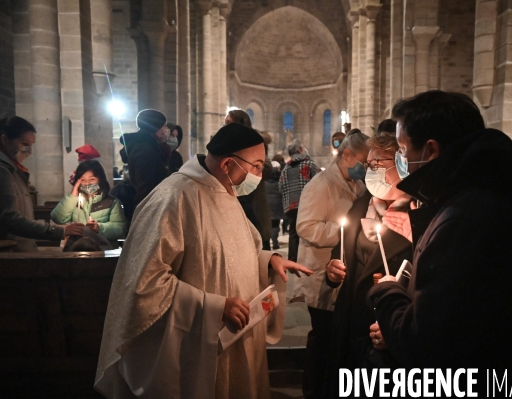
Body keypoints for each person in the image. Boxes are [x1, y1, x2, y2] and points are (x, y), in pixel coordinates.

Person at [94, 123, 312, 399]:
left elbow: (234, 250)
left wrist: (269, 261)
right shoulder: (172, 198)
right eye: (257, 166)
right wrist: (214, 307)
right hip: (200, 342)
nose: (259, 174)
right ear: (228, 163)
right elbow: (145, 282)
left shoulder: (225, 190)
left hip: (240, 331)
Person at [367, 90, 512, 374]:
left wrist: (387, 292)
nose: (402, 158)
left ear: (431, 150)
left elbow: (427, 342)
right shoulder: (488, 192)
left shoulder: (464, 217)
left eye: (402, 148)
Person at [322, 127, 413, 395]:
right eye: (368, 164)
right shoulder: (362, 205)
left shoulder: (419, 213)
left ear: (401, 164)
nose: (370, 171)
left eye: (377, 164)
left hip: (388, 322)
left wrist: (397, 327)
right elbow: (341, 248)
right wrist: (332, 270)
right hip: (353, 317)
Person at [292, 129, 370, 399]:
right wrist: (344, 234)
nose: (365, 166)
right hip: (321, 271)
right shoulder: (321, 183)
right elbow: (305, 226)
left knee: (336, 338)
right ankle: (313, 390)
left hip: (343, 273)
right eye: (363, 159)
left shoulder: (357, 185)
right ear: (347, 154)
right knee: (322, 337)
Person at [0, 116, 85, 252]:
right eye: (25, 144)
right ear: (5, 140)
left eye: (31, 145)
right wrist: (60, 231)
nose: (29, 151)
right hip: (11, 253)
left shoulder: (14, 171)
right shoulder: (3, 171)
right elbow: (11, 219)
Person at [223, 110, 273, 250]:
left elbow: (267, 168)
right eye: (225, 123)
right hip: (232, 206)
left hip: (253, 204)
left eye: (229, 123)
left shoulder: (254, 143)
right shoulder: (223, 145)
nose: (225, 127)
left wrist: (247, 165)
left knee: (261, 257)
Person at [51, 160, 127, 247]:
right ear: (78, 182)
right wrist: (72, 196)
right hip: (77, 248)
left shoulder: (112, 202)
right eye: (83, 180)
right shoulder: (72, 201)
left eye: (92, 179)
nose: (87, 183)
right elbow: (57, 218)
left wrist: (99, 227)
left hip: (103, 249)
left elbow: (120, 228)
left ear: (100, 179)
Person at [119, 109, 170, 209]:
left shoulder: (151, 147)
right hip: (150, 209)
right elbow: (144, 188)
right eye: (164, 126)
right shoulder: (144, 150)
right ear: (156, 128)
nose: (167, 129)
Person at [278, 139, 319, 262]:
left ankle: (292, 259)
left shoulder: (285, 169)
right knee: (307, 231)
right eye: (303, 147)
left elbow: (280, 187)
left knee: (293, 233)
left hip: (290, 206)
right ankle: (306, 259)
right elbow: (320, 180)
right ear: (300, 150)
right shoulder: (309, 164)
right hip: (306, 204)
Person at [266, 160, 284, 250]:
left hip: (268, 205)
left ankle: (269, 241)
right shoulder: (280, 181)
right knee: (276, 225)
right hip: (277, 205)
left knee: (269, 224)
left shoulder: (265, 182)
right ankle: (275, 242)